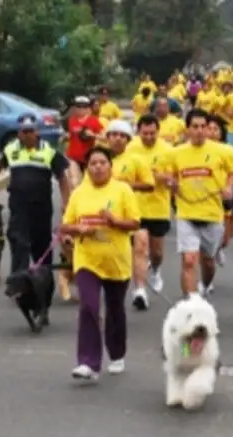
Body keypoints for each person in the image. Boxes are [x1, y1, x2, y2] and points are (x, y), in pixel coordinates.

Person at [61, 146, 141, 380]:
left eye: (102, 162)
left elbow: (135, 223)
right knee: (88, 307)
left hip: (117, 260)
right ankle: (88, 362)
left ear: (110, 166)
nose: (97, 167)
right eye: (93, 163)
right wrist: (78, 228)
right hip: (87, 259)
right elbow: (65, 225)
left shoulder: (122, 190)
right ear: (87, 168)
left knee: (115, 309)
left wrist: (115, 220)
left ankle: (116, 353)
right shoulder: (79, 193)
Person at [0, 114, 70, 273]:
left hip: (41, 207)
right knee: (19, 241)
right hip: (19, 205)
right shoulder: (11, 149)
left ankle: (43, 278)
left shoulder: (48, 151)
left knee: (41, 243)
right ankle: (18, 281)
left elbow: (62, 177)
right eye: (24, 131)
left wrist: (66, 202)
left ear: (37, 132)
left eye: (30, 131)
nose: (27, 134)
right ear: (19, 133)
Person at [168, 109, 233, 296]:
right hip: (186, 213)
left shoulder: (223, 151)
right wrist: (171, 182)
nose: (199, 131)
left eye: (203, 127)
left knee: (208, 262)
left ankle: (206, 285)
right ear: (187, 130)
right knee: (189, 260)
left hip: (212, 214)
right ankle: (190, 304)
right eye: (195, 127)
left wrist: (229, 187)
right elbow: (166, 173)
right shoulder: (176, 153)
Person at [105, 119, 155, 310]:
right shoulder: (99, 159)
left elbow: (149, 184)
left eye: (122, 136)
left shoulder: (136, 160)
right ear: (107, 138)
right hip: (105, 216)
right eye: (114, 135)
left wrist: (127, 186)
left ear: (127, 140)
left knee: (141, 247)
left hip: (132, 213)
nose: (117, 139)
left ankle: (140, 291)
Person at [126, 114, 173, 293]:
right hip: (135, 208)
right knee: (139, 248)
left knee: (157, 253)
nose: (148, 137)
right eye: (145, 133)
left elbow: (172, 178)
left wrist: (159, 177)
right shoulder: (130, 149)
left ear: (158, 132)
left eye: (152, 133)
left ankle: (156, 270)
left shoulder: (167, 150)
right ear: (138, 132)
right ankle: (140, 290)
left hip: (159, 207)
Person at [206, 114, 233, 269]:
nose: (212, 132)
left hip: (225, 197)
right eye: (209, 128)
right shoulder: (199, 149)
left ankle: (219, 249)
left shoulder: (228, 150)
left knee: (225, 238)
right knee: (208, 234)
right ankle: (209, 259)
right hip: (207, 197)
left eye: (215, 129)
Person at [65, 96, 102, 187]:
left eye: (84, 106)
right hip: (74, 157)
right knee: (74, 182)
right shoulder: (72, 120)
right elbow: (72, 134)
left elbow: (104, 137)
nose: (81, 109)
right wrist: (66, 136)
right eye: (78, 106)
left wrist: (92, 134)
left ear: (88, 108)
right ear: (74, 108)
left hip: (88, 158)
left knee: (90, 184)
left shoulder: (94, 120)